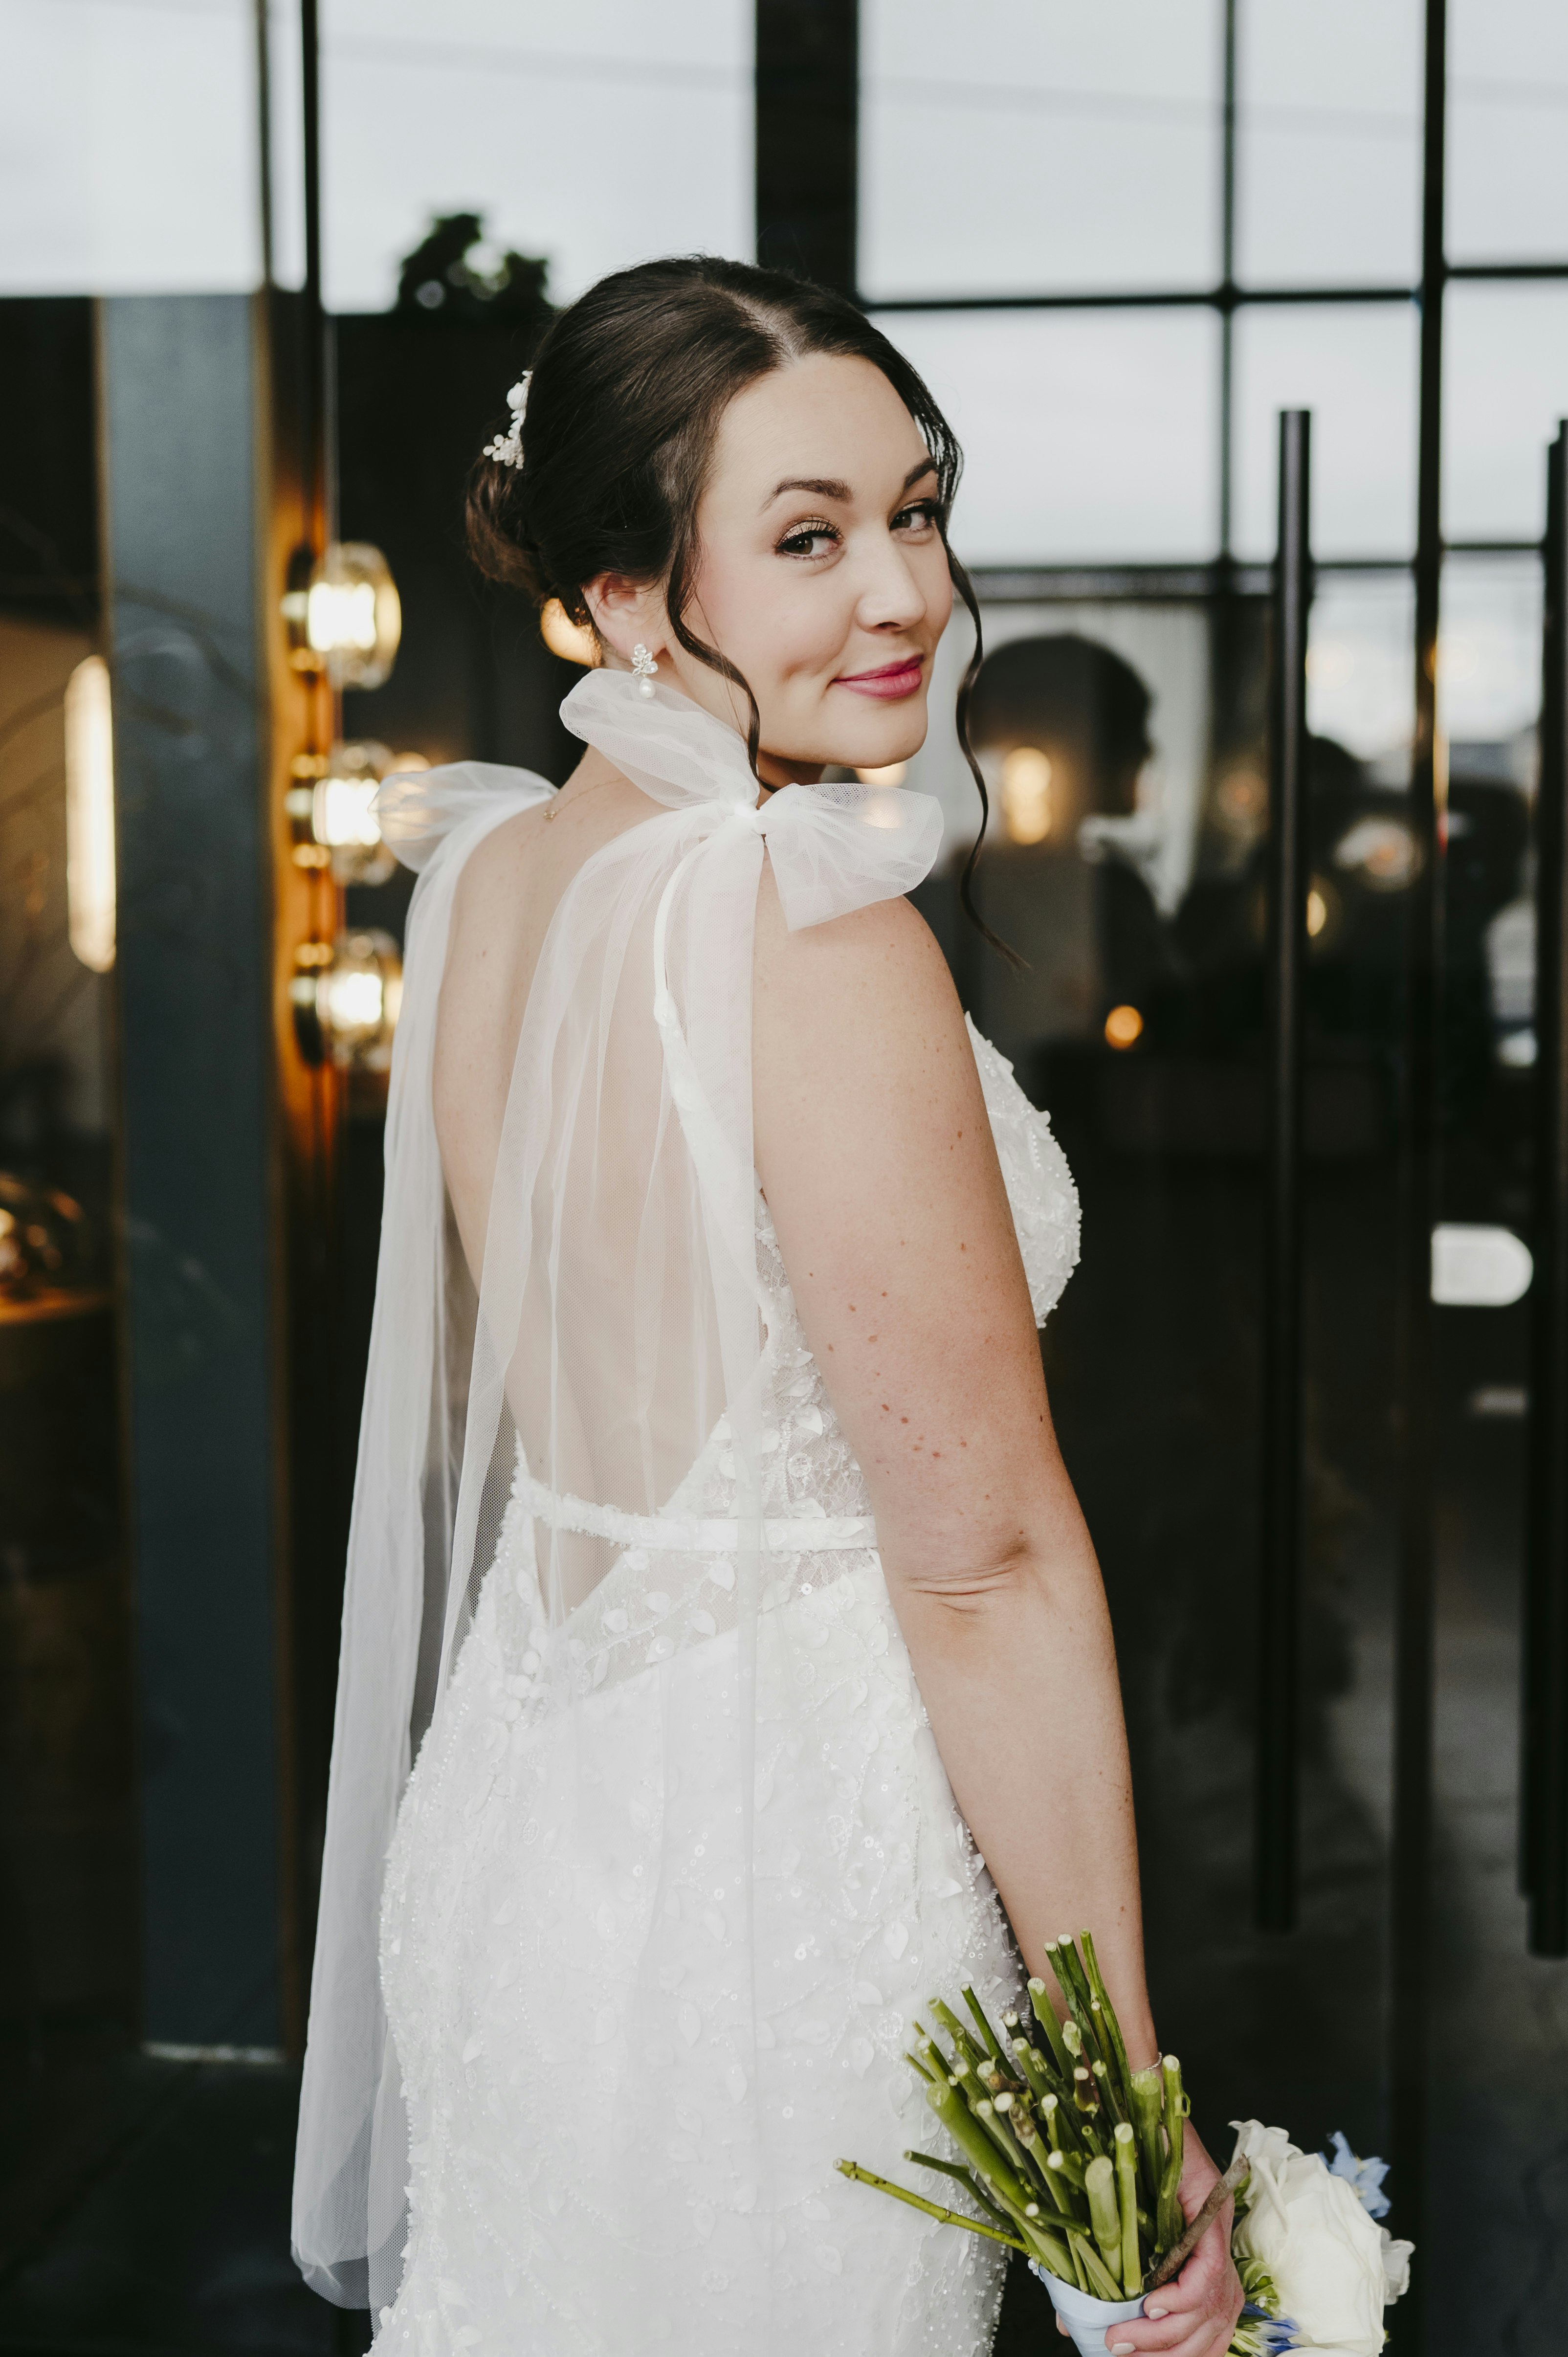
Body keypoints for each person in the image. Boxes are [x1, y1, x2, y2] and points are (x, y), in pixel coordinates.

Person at [291, 256, 1243, 2357]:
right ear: (631, 598)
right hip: (772, 1885)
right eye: (806, 537)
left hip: (529, 1823)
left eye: (914, 509)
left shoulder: (489, 879)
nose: (900, 589)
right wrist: (1119, 2094)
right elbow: (981, 1559)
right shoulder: (804, 924)